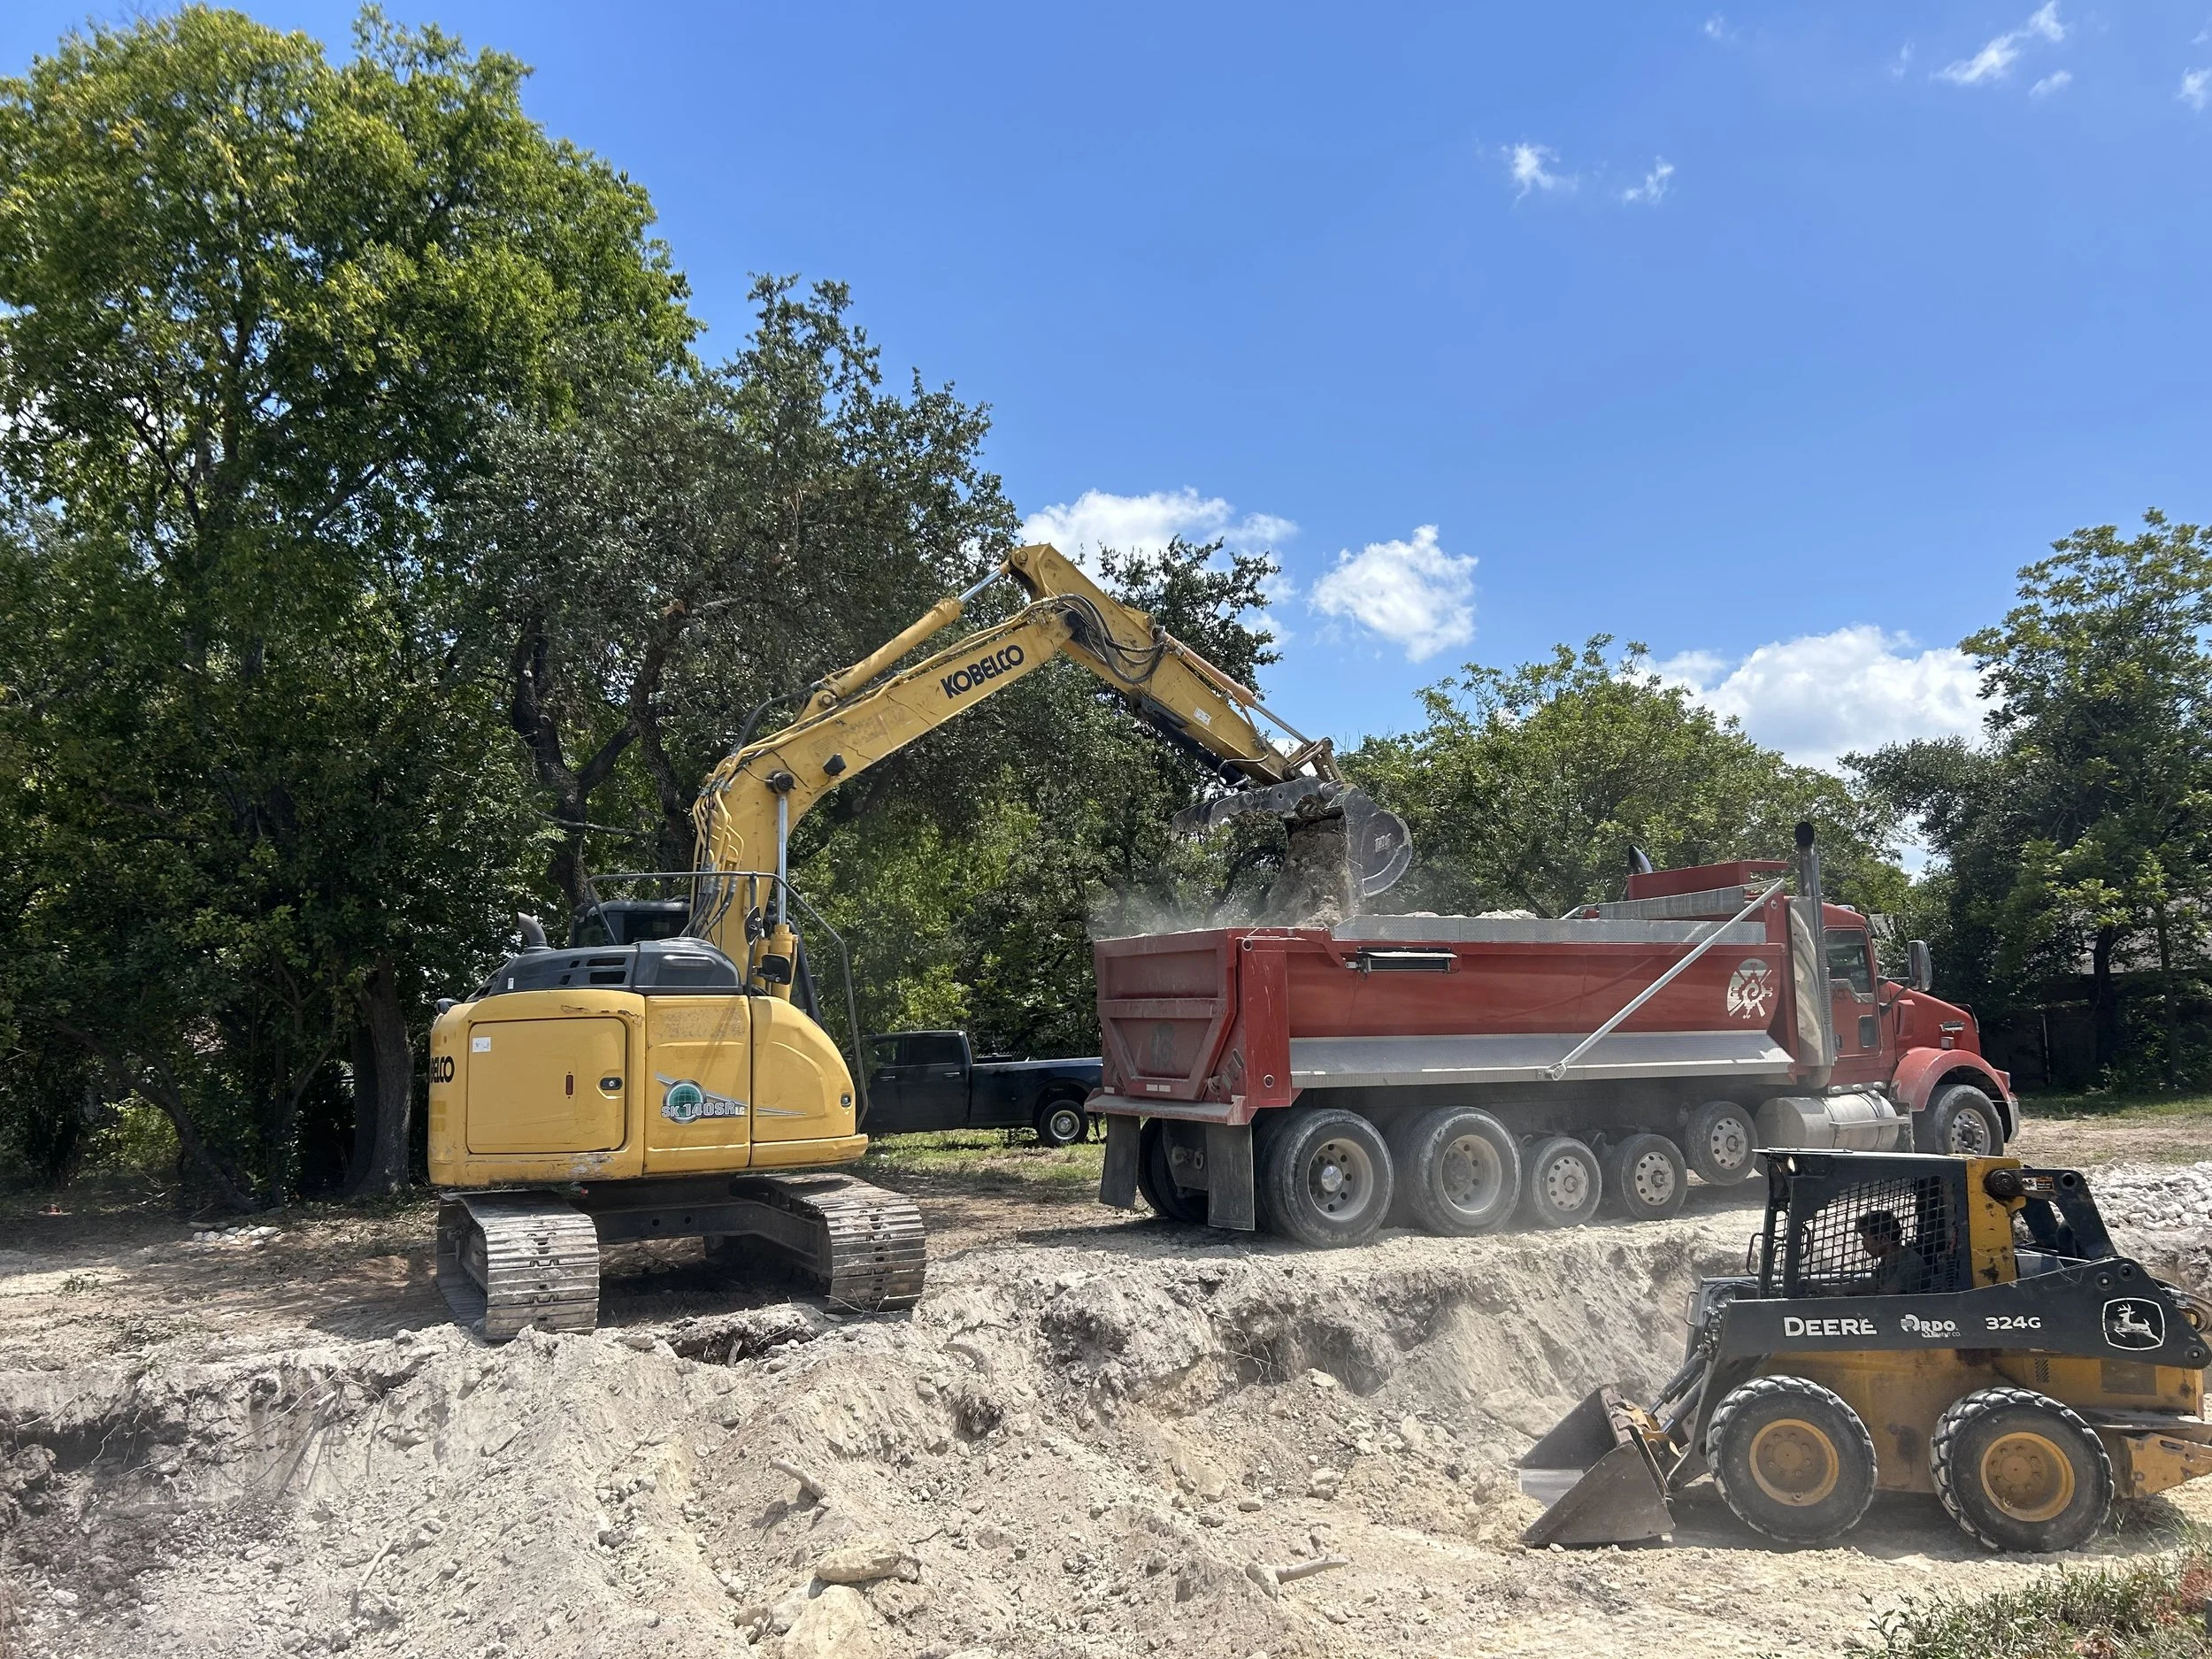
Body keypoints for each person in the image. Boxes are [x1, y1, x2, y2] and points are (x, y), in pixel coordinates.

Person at [1855, 1209, 1928, 1294]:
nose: (1863, 1242)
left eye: (1865, 1236)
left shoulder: (1910, 1263)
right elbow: (1871, 1286)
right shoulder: (1885, 1263)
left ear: (1884, 1239)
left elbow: (1887, 1297)